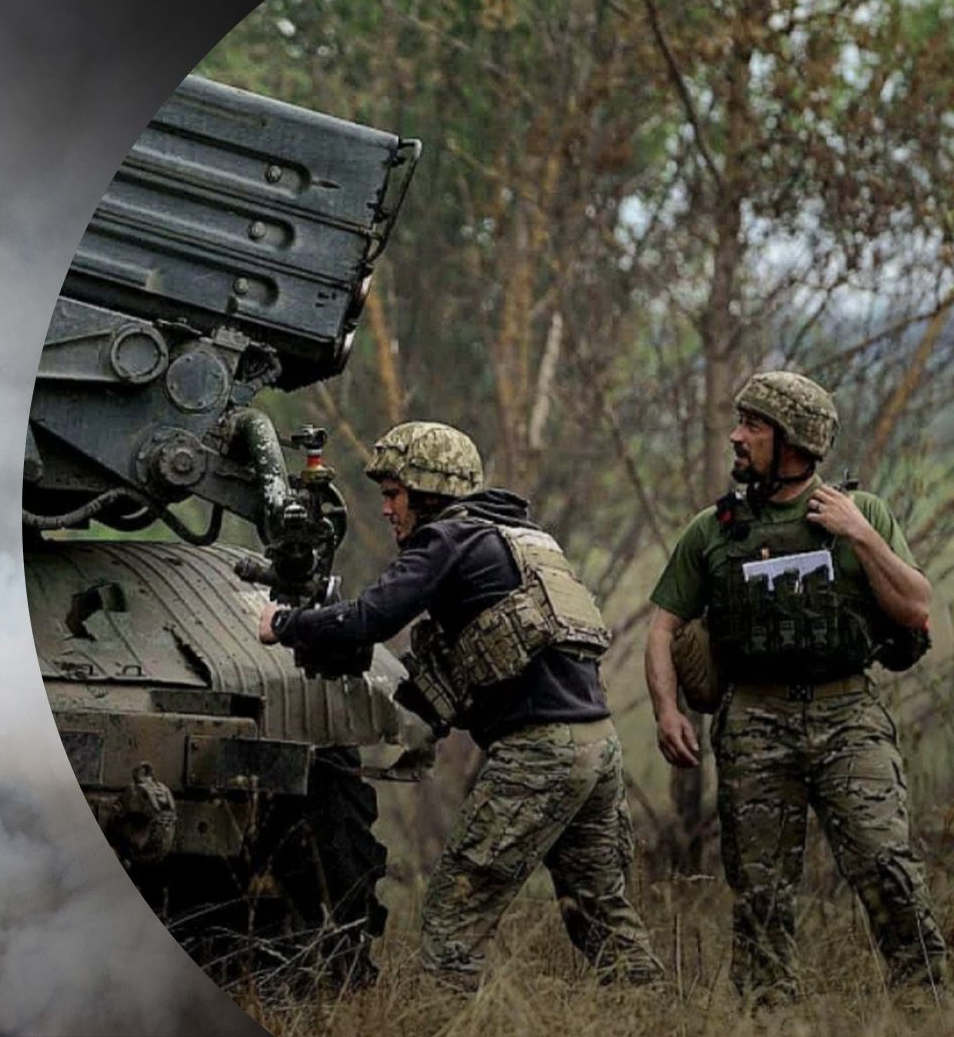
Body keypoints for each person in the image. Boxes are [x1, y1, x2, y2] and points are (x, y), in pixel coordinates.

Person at [258, 421, 661, 991]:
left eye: (394, 496)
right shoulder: (524, 539)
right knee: (601, 913)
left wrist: (284, 624)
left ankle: (438, 1021)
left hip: (540, 753)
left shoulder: (446, 539)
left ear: (428, 494)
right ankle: (648, 1014)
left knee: (454, 910)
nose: (386, 510)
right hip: (599, 748)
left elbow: (369, 621)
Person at [642, 370, 945, 1007]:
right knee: (760, 891)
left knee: (887, 868)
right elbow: (663, 624)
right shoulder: (715, 529)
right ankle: (769, 1015)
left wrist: (857, 532)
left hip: (848, 713)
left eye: (752, 425)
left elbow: (918, 606)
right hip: (754, 719)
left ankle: (924, 1005)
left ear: (794, 441)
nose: (736, 436)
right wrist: (668, 710)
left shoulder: (861, 515)